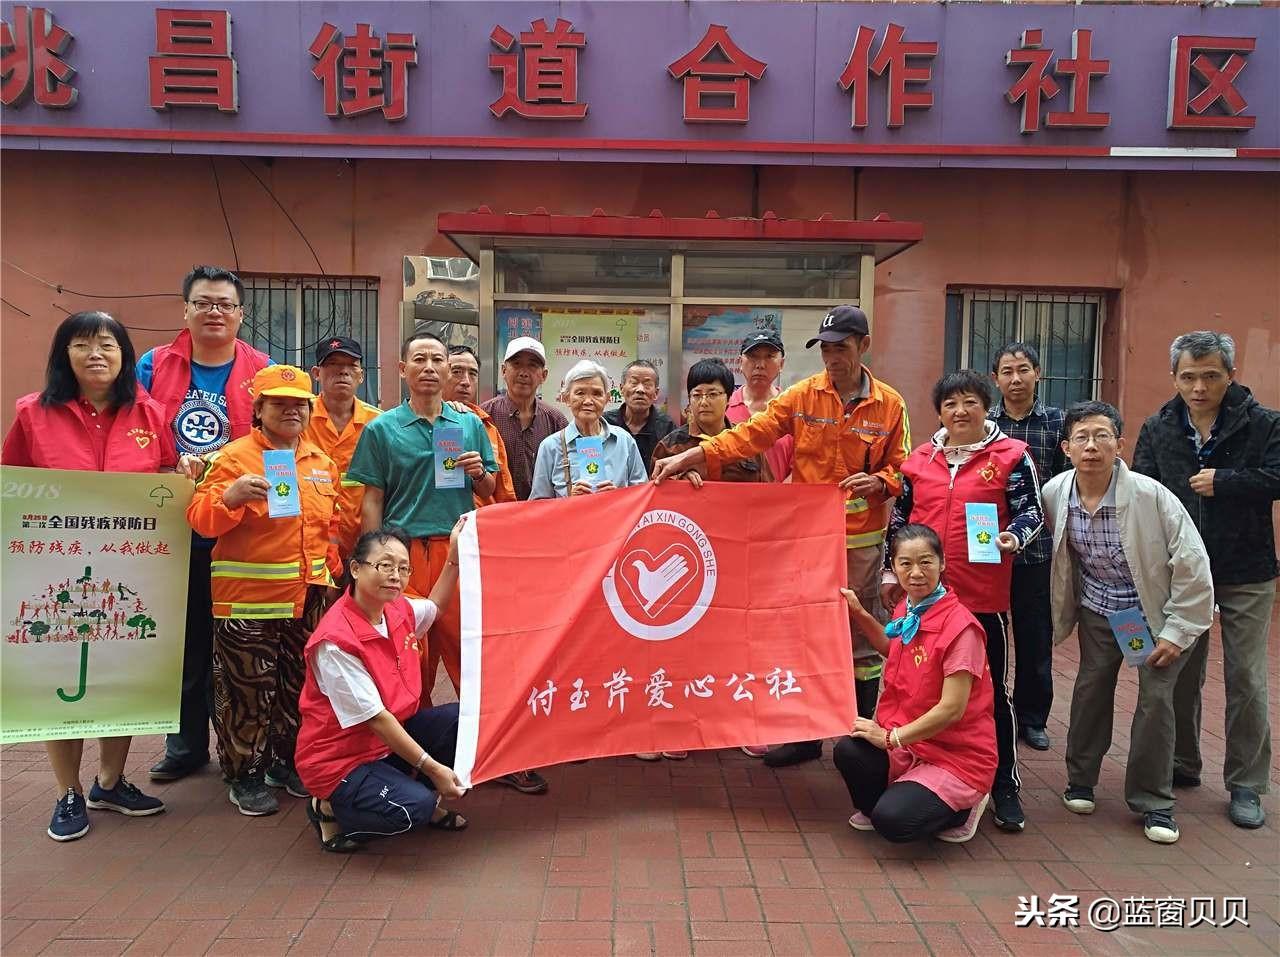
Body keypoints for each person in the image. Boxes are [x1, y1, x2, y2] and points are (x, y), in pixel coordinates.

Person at [652, 306, 911, 768]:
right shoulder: (802, 396)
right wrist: (691, 458)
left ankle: (860, 738)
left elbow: (903, 467)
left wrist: (881, 482)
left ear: (864, 346)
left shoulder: (890, 404)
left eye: (841, 348)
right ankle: (804, 737)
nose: (832, 358)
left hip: (859, 543)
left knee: (860, 635)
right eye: (826, 350)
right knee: (801, 632)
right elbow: (750, 435)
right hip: (807, 540)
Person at [346, 333, 543, 797]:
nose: (430, 367)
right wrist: (370, 562)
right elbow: (372, 499)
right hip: (405, 558)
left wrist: (479, 473)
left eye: (439, 360)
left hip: (458, 552)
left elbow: (491, 489)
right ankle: (413, 762)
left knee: (475, 659)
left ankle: (498, 754)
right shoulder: (382, 429)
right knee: (408, 662)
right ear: (402, 369)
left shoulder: (469, 424)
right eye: (420, 359)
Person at [2, 311, 174, 841]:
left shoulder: (150, 413)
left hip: (133, 566)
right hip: (55, 567)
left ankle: (110, 781)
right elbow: (13, 483)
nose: (96, 354)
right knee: (60, 672)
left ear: (124, 356)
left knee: (123, 666)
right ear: (64, 355)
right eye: (82, 344)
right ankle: (67, 791)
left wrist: (182, 475)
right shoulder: (33, 413)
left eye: (107, 344)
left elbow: (166, 475)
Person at [1045, 401, 1213, 845]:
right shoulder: (1056, 492)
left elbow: (1193, 564)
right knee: (1091, 688)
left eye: (1102, 436)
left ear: (1119, 445)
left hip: (1154, 613)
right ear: (1066, 448)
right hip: (1100, 610)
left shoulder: (1150, 496)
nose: (1092, 446)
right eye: (1081, 437)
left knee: (1156, 701)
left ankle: (1153, 800)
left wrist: (1177, 631)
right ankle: (1080, 780)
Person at [1132, 332, 1278, 830]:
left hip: (1245, 569)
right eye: (1189, 377)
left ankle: (1247, 783)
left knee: (1246, 677)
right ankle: (1182, 761)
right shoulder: (1159, 426)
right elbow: (1143, 487)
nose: (1199, 387)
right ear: (1174, 377)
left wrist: (1225, 481)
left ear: (1230, 375)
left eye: (1211, 376)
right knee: (1179, 670)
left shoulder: (1264, 423)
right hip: (1182, 571)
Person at [887, 370, 1042, 833]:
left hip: (980, 598)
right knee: (919, 685)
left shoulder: (1011, 456)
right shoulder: (919, 460)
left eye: (970, 402)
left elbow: (1032, 510)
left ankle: (1004, 785)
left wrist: (1013, 537)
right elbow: (901, 520)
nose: (960, 411)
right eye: (950, 403)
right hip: (925, 598)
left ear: (986, 406)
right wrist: (891, 572)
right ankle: (928, 769)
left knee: (991, 695)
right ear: (939, 412)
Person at [186, 365, 340, 816]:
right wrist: (230, 498)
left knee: (298, 687)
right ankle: (244, 774)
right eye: (279, 404)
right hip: (247, 602)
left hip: (307, 599)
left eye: (299, 404)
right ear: (258, 409)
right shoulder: (232, 459)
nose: (291, 411)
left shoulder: (320, 462)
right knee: (247, 693)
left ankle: (284, 762)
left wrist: (331, 573)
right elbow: (200, 520)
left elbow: (330, 527)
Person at [140, 265, 272, 785]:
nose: (214, 311)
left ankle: (247, 749)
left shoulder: (263, 369)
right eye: (203, 302)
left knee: (243, 643)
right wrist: (165, 465)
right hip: (173, 523)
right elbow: (134, 430)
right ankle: (185, 744)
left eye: (225, 304)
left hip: (242, 528)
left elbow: (279, 442)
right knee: (186, 640)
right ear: (186, 310)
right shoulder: (153, 366)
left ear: (241, 314)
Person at [295, 524, 469, 851]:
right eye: (385, 565)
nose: (395, 576)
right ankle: (328, 808)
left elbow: (436, 608)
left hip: (385, 742)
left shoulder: (396, 608)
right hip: (342, 759)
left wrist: (454, 558)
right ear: (355, 568)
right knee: (412, 810)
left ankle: (414, 792)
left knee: (463, 721)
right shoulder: (335, 641)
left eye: (403, 568)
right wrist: (434, 769)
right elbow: (377, 719)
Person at [835, 524, 997, 844]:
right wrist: (858, 612)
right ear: (893, 568)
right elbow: (892, 647)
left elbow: (952, 709)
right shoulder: (909, 607)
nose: (916, 573)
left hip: (954, 755)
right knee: (849, 751)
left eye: (926, 562)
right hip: (909, 743)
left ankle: (966, 805)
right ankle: (897, 797)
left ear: (942, 563)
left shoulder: (961, 629)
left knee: (893, 822)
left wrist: (890, 737)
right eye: (905, 564)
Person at [648, 358, 772, 759]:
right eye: (697, 394)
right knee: (682, 645)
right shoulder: (670, 446)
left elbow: (770, 500)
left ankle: (740, 724)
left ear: (728, 398)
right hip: (687, 566)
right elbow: (650, 503)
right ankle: (679, 725)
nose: (704, 401)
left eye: (713, 393)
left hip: (736, 563)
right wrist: (676, 482)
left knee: (736, 644)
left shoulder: (748, 443)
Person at [988, 342, 1066, 752]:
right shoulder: (985, 424)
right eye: (1007, 371)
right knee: (988, 634)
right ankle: (989, 711)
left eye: (1023, 370)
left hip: (1036, 552)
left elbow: (1068, 484)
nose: (1015, 379)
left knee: (1035, 636)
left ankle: (1032, 718)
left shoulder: (1057, 423)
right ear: (995, 379)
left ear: (1038, 373)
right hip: (987, 551)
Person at [303, 336, 381, 567]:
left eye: (351, 366)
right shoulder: (299, 418)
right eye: (333, 364)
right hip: (310, 546)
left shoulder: (378, 423)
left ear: (361, 375)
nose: (343, 372)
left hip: (362, 544)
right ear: (316, 373)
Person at [530, 359, 649, 499]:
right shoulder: (550, 447)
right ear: (566, 398)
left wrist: (617, 497)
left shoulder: (624, 441)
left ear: (607, 398)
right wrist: (567, 502)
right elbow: (538, 504)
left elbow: (642, 496)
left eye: (597, 393)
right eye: (580, 393)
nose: (588, 401)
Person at [481, 337, 568, 501]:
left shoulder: (556, 421)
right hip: (496, 511)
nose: (523, 373)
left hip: (542, 512)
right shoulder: (484, 416)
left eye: (532, 366)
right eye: (516, 364)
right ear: (503, 370)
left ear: (544, 375)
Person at [444, 345, 517, 508]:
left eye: (473, 374)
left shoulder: (487, 426)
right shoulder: (422, 420)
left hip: (479, 520)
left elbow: (504, 491)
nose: (466, 382)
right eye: (456, 372)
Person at [727, 330, 794, 482]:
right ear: (740, 362)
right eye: (753, 357)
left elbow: (801, 466)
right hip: (732, 495)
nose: (760, 365)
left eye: (769, 357)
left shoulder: (793, 409)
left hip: (781, 495)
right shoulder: (725, 407)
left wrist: (777, 494)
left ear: (781, 363)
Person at [604, 359, 674, 470]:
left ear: (656, 393)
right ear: (621, 389)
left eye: (647, 384)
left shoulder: (667, 427)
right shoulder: (605, 423)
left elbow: (676, 466)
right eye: (634, 383)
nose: (640, 390)